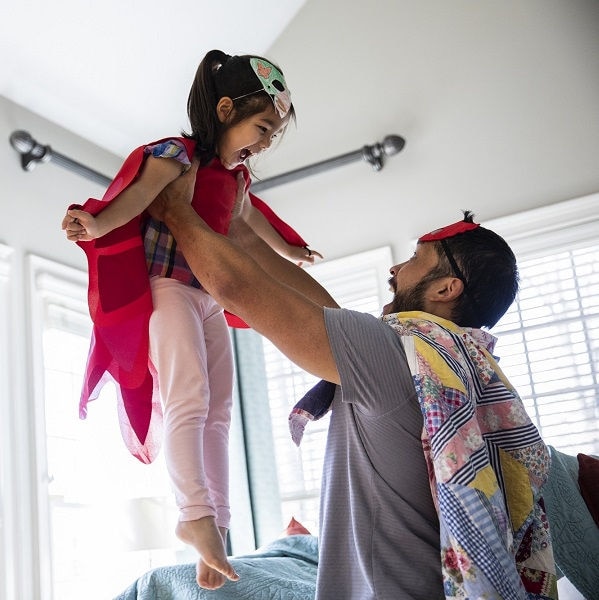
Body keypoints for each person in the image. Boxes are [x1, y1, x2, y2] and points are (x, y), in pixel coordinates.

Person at [98, 161, 557, 600]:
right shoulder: (449, 364)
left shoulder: (398, 351)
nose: (395, 270)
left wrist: (174, 208)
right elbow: (308, 301)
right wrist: (238, 227)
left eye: (416, 260)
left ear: (444, 289)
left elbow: (234, 286)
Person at [61, 50, 322, 590]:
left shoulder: (237, 177)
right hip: (169, 287)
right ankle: (193, 514)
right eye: (262, 127)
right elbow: (131, 199)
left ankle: (217, 528)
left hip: (208, 295)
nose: (266, 142)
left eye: (273, 133)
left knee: (221, 410)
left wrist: (294, 253)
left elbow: (255, 223)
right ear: (225, 109)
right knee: (188, 397)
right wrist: (93, 222)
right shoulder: (177, 156)